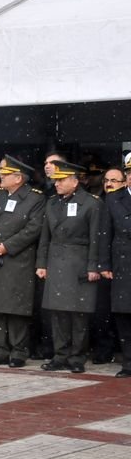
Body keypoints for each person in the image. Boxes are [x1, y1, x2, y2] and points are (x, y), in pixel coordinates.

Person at [0, 156, 45, 368]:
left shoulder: (35, 198)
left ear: (18, 178)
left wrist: (8, 246)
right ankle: (0, 349)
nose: (1, 176)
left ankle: (18, 350)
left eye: (5, 174)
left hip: (18, 260)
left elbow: (33, 229)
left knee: (17, 308)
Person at [36, 160, 102, 373]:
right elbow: (45, 237)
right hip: (56, 261)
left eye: (61, 180)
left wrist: (93, 266)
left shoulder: (91, 203)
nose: (56, 184)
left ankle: (77, 357)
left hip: (78, 262)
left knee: (78, 314)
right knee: (58, 313)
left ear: (75, 182)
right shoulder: (52, 203)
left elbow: (96, 238)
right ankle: (60, 355)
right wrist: (41, 263)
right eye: (56, 180)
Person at [99, 154, 131, 378]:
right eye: (129, 173)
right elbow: (105, 235)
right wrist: (104, 263)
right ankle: (129, 363)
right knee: (124, 315)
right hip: (123, 264)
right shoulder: (113, 199)